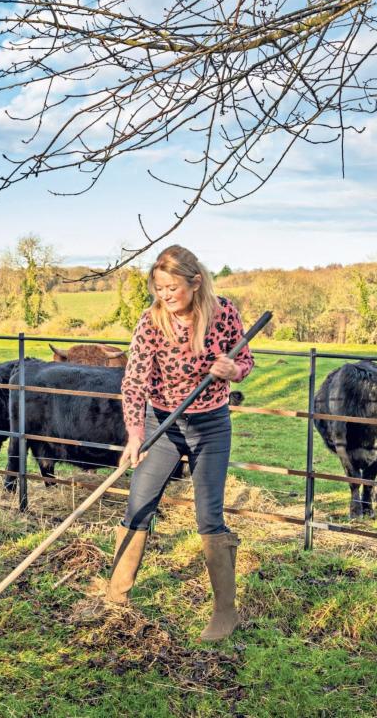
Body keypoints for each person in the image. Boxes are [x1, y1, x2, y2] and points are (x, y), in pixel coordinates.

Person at [105, 245, 254, 642]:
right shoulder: (151, 322)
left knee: (209, 516)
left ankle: (225, 614)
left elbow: (246, 361)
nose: (165, 295)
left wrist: (232, 369)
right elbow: (134, 382)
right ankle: (116, 595)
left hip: (211, 425)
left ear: (195, 282)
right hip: (162, 424)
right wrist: (136, 433)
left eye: (172, 287)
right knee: (138, 505)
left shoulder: (224, 314)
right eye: (158, 288)